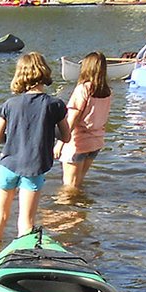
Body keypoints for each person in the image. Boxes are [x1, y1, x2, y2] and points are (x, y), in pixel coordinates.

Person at [0, 52, 70, 243]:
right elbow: (66, 136)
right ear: (44, 72)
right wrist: (47, 132)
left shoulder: (10, 104)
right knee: (26, 222)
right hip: (34, 167)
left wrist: (14, 136)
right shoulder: (55, 105)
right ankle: (23, 257)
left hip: (7, 165)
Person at [59, 52, 113, 191]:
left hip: (78, 142)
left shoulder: (83, 89)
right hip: (95, 142)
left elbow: (73, 118)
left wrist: (60, 143)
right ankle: (80, 210)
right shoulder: (107, 91)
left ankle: (66, 211)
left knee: (69, 186)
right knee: (78, 183)